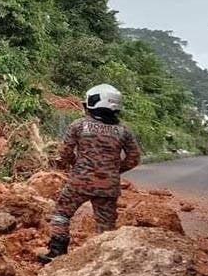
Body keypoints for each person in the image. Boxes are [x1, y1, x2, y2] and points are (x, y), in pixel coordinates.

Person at [38, 84, 141, 264]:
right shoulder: (124, 131)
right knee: (106, 226)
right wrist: (113, 172)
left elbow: (65, 153)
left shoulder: (78, 125)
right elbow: (134, 159)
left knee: (61, 214)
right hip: (108, 187)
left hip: (79, 182)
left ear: (93, 103)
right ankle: (105, 261)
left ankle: (57, 252)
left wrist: (76, 166)